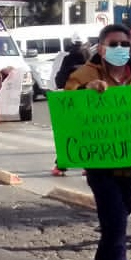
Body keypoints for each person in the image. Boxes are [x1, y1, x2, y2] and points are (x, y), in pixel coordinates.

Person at [66, 24, 131, 260]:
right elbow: (67, 105)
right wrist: (84, 92)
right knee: (117, 222)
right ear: (101, 48)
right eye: (113, 44)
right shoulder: (83, 76)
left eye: (124, 44)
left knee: (117, 219)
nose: (120, 49)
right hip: (101, 166)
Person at [51, 38, 91, 176]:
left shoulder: (68, 59)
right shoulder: (92, 59)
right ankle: (89, 165)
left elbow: (60, 81)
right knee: (89, 134)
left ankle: (61, 165)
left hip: (72, 102)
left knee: (70, 135)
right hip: (90, 102)